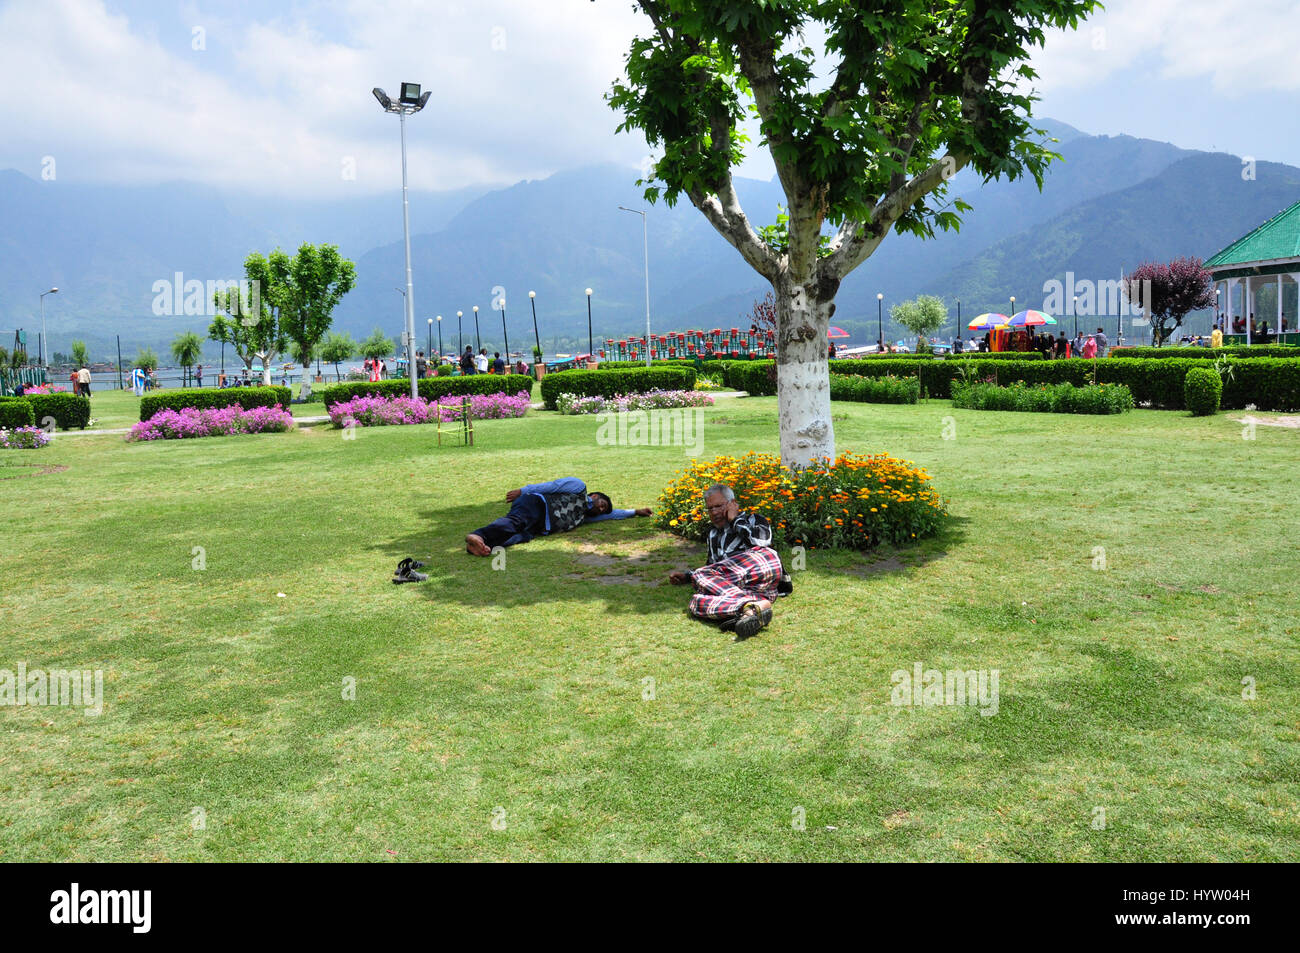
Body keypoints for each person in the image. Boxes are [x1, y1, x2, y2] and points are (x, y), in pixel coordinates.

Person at [668, 484, 787, 640]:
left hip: (764, 563)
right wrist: (688, 576)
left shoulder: (752, 518)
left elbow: (762, 541)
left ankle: (744, 607)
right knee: (696, 601)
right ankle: (751, 608)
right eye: (710, 509)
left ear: (733, 503)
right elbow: (714, 570)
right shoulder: (713, 534)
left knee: (701, 577)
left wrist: (734, 519)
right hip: (754, 589)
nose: (714, 512)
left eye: (719, 506)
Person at [465, 477, 652, 556]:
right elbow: (551, 486)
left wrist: (635, 512)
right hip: (536, 504)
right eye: (602, 504)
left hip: (539, 528)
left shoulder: (582, 517)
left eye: (603, 510)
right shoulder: (578, 487)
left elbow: (613, 515)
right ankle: (478, 535)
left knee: (518, 537)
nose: (601, 510)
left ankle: (480, 546)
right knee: (516, 522)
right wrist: (523, 490)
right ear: (594, 496)